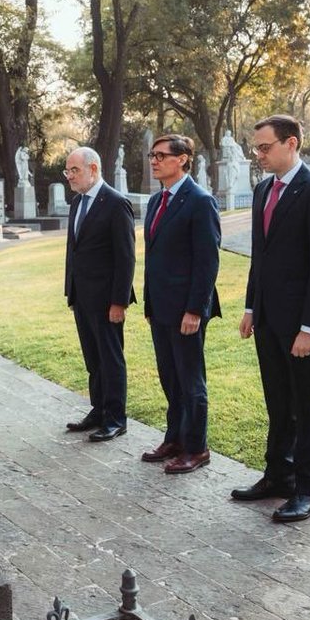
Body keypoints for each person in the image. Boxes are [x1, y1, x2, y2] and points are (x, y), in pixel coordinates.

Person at [234, 115, 310, 522]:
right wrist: (250, 307)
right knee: (279, 403)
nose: (257, 155)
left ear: (291, 143)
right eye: (256, 148)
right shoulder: (263, 190)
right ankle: (278, 475)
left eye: (264, 147)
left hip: (303, 325)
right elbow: (259, 257)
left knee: (308, 406)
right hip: (268, 319)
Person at [142, 135, 221, 473]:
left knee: (191, 381)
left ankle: (196, 447)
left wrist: (194, 310)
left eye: (161, 155)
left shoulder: (200, 201)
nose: (154, 161)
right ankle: (174, 437)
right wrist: (148, 302)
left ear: (183, 159)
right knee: (169, 377)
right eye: (152, 155)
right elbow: (153, 258)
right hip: (160, 307)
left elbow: (207, 262)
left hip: (186, 310)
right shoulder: (155, 201)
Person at [62, 147, 136, 441]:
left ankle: (116, 418)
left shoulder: (116, 204)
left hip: (107, 301)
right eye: (67, 171)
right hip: (82, 297)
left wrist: (119, 301)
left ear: (93, 169)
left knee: (110, 359)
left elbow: (126, 257)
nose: (69, 177)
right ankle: (99, 410)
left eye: (74, 170)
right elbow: (74, 251)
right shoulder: (77, 203)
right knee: (93, 359)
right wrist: (72, 292)